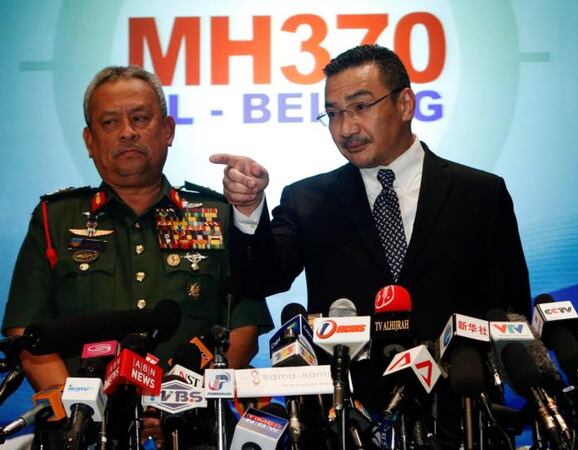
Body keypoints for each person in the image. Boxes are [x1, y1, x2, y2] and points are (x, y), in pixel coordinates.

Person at [2, 65, 272, 446]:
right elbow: (25, 331)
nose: (127, 131)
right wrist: (85, 413)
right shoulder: (55, 218)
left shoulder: (215, 213)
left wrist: (183, 403)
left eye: (140, 118)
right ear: (89, 141)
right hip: (80, 435)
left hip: (193, 430)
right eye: (109, 122)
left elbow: (243, 327)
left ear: (168, 130)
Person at [211, 44, 531, 340]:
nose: (345, 129)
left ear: (405, 104)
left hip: (460, 394)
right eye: (333, 113)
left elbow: (512, 313)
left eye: (360, 106)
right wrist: (249, 208)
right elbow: (263, 280)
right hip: (350, 397)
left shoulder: (480, 194)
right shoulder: (308, 201)